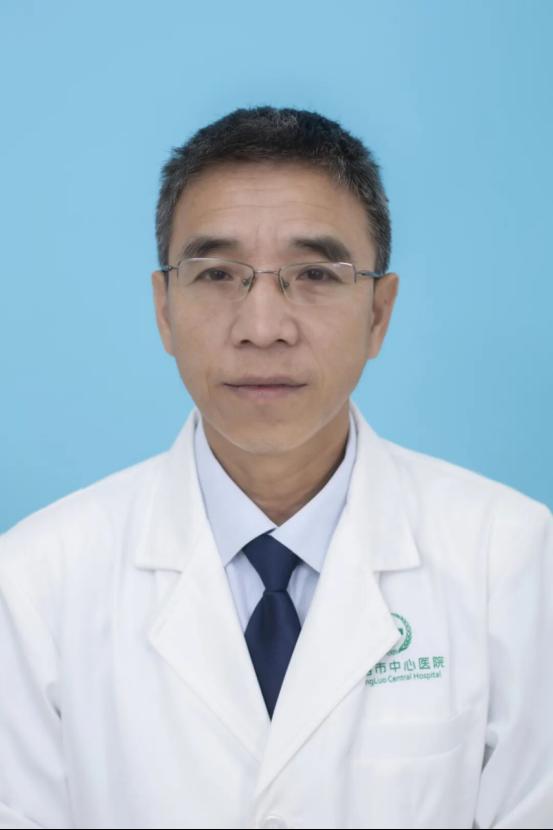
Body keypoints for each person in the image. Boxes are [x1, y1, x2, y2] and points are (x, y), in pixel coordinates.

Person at [1, 105, 551, 830]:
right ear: (163, 310)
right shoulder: (34, 582)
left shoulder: (510, 559)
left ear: (378, 314)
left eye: (315, 273)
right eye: (217, 273)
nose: (263, 329)